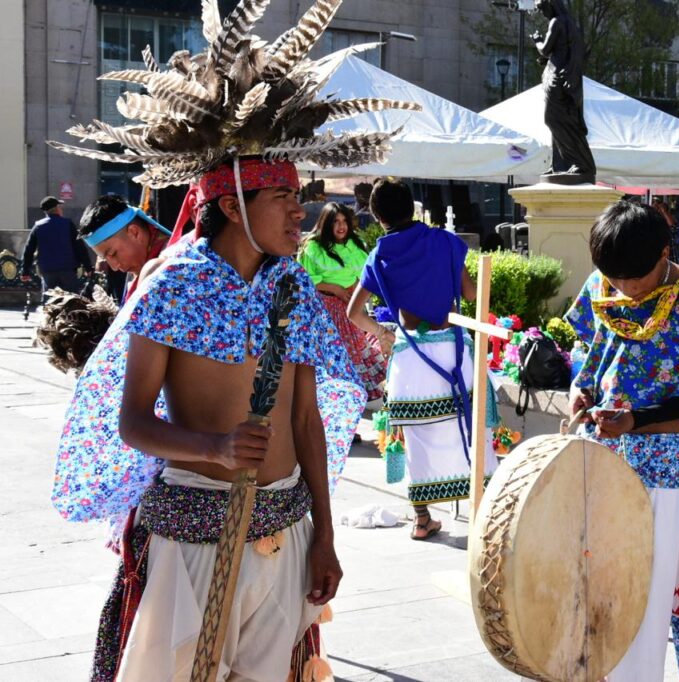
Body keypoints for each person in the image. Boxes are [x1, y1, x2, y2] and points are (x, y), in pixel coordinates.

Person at [46, 1, 415, 677]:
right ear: (232, 204)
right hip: (192, 537)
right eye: (284, 198)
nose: (301, 210)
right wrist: (212, 447)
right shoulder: (172, 285)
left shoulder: (292, 284)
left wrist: (325, 535)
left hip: (286, 528)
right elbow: (134, 422)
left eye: (299, 196)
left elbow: (305, 420)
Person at [565, 201, 679, 680]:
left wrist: (637, 420)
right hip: (600, 448)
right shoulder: (603, 281)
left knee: (644, 584)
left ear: (664, 252)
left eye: (634, 278)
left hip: (661, 456)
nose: (622, 287)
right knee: (592, 576)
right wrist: (581, 387)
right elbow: (589, 350)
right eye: (613, 276)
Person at [347, 178, 499, 541]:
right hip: (452, 351)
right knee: (472, 428)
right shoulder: (444, 241)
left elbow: (354, 312)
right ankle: (486, 511)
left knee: (418, 439)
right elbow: (471, 294)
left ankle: (422, 519)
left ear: (378, 216)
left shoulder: (379, 255)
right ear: (412, 206)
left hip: (411, 357)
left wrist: (382, 332)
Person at [299, 202, 387, 407]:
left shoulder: (355, 245)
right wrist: (334, 288)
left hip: (351, 306)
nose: (341, 226)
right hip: (325, 308)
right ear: (326, 223)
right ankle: (333, 399)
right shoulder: (313, 247)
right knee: (333, 353)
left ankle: (352, 399)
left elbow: (364, 274)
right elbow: (305, 279)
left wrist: (356, 288)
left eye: (344, 221)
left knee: (355, 350)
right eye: (335, 222)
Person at [531, 0, 596, 181]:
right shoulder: (570, 24)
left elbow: (545, 49)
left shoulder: (557, 22)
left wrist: (537, 40)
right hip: (562, 77)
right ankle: (560, 164)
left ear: (551, 5)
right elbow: (562, 52)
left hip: (557, 80)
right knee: (561, 121)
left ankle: (580, 163)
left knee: (553, 119)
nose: (542, 13)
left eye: (542, 8)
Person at [77, 194, 171, 301]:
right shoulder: (136, 267)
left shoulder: (173, 262)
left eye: (113, 254)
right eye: (105, 258)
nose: (115, 267)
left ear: (134, 232)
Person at [20, 195, 92, 291]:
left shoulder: (38, 226)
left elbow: (29, 250)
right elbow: (79, 247)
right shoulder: (68, 224)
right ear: (57, 209)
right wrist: (88, 267)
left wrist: (25, 271)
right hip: (68, 269)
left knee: (50, 298)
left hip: (48, 270)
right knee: (71, 298)